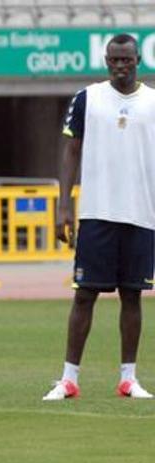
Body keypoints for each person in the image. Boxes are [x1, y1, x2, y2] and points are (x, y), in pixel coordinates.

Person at [44, 33, 155, 401]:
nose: (120, 66)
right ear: (106, 61)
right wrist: (64, 204)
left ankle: (128, 378)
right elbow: (70, 151)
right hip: (96, 212)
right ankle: (69, 378)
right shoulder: (87, 99)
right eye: (113, 60)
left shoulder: (152, 102)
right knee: (85, 294)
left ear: (138, 59)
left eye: (126, 59)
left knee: (133, 296)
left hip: (141, 213)